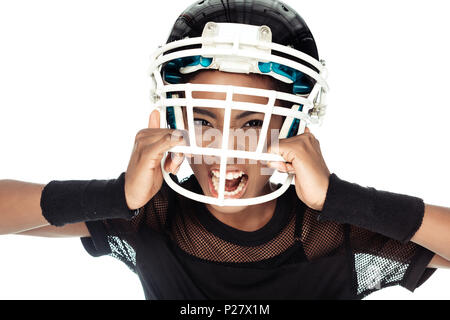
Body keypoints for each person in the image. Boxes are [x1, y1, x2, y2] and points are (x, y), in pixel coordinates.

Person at [0, 0, 449, 300]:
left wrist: (341, 199)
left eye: (252, 124)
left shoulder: (335, 230)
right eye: (203, 122)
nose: (224, 152)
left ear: (291, 127)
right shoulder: (149, 214)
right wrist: (117, 195)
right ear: (175, 121)